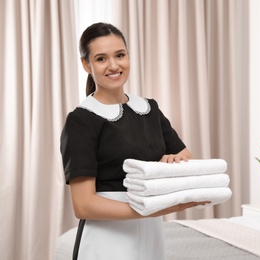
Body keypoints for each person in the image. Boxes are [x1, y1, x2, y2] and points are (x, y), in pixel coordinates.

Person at [60, 22, 207, 260]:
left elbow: (186, 157)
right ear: (86, 64)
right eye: (101, 59)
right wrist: (151, 209)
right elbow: (83, 205)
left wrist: (173, 161)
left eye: (120, 55)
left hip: (151, 235)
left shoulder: (149, 109)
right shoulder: (82, 120)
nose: (114, 65)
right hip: (105, 242)